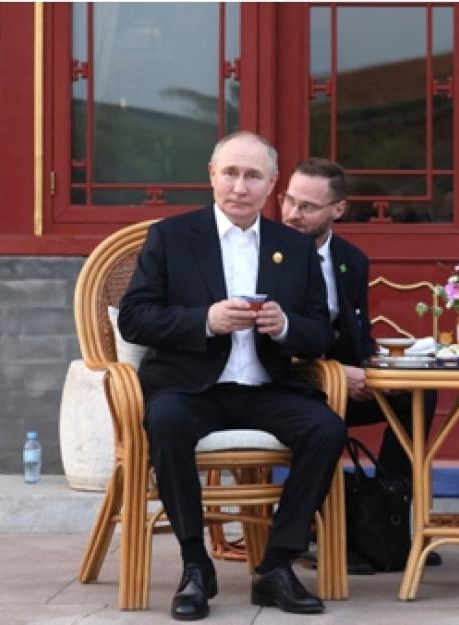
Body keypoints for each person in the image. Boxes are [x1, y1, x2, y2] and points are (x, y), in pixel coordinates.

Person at [118, 132, 347, 619]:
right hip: (189, 385)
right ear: (211, 177)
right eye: (230, 173)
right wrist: (205, 320)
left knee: (326, 427)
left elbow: (320, 332)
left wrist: (285, 326)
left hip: (266, 386)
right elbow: (134, 318)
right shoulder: (172, 237)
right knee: (168, 421)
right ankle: (196, 566)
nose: (239, 186)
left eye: (252, 176)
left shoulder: (295, 247)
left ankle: (277, 566)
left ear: (271, 186)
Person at [280, 156, 440, 573]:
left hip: (343, 380)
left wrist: (378, 370)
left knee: (415, 397)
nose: (293, 214)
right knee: (322, 416)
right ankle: (313, 531)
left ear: (338, 210)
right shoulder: (267, 254)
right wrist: (334, 374)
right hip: (288, 384)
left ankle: (382, 523)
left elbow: (358, 333)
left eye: (306, 207)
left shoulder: (351, 259)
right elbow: (265, 344)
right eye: (288, 201)